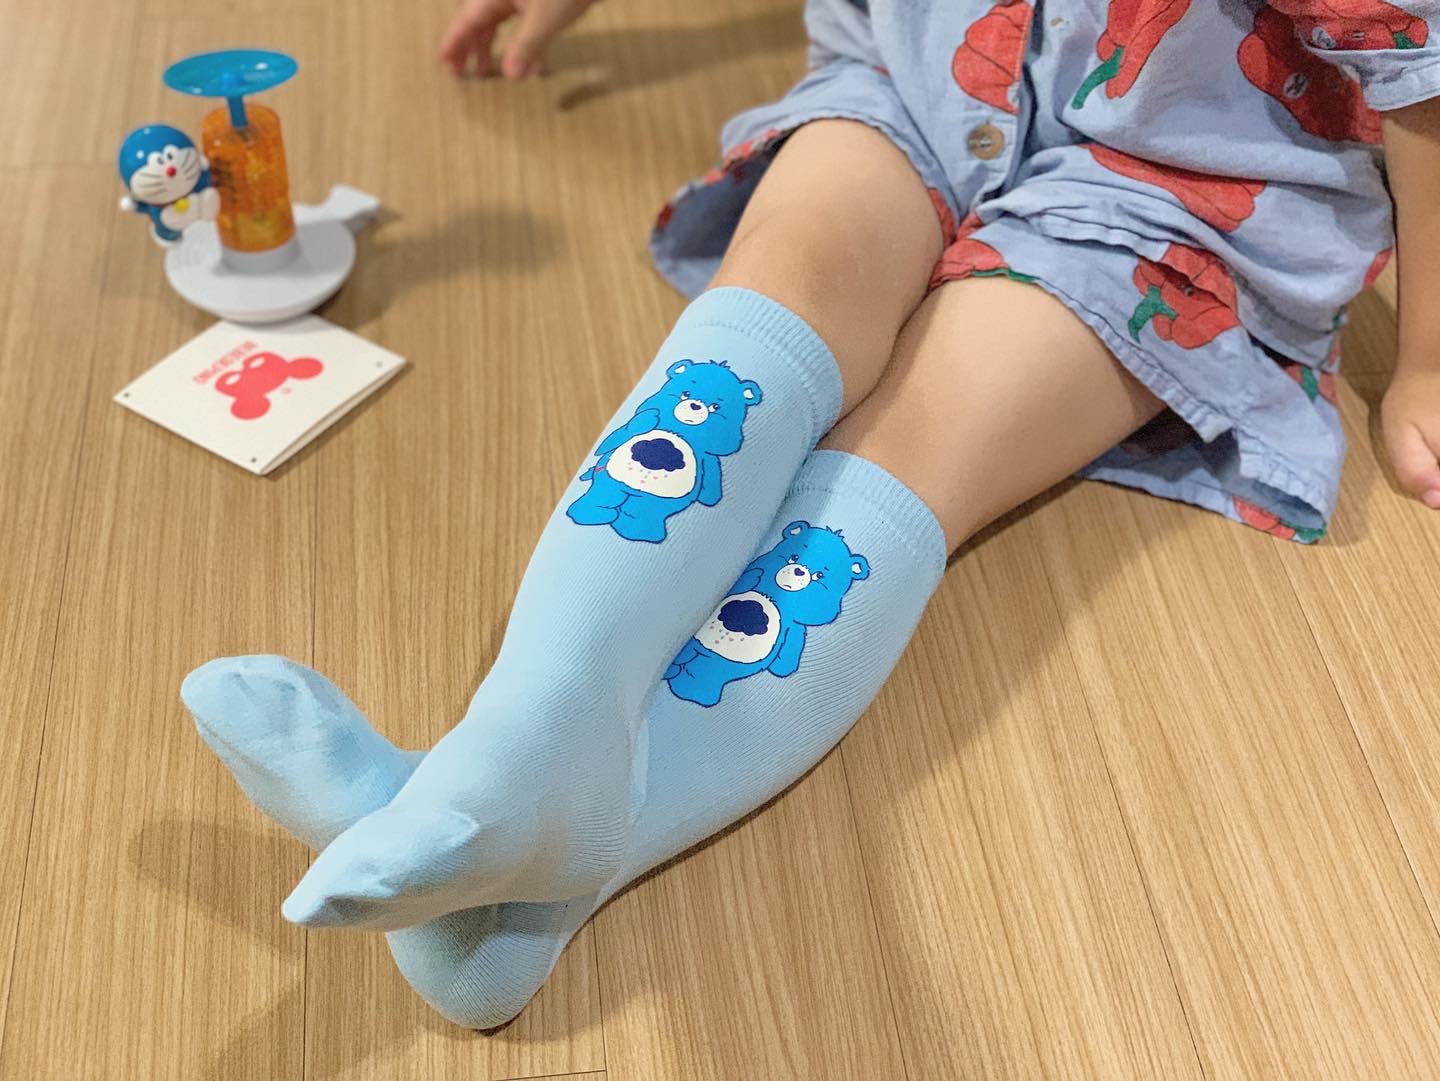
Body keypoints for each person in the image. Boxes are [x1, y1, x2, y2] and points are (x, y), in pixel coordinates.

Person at [182, 0, 1440, 1028]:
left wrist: (1430, 353)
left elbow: (1420, 63)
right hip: (915, 71)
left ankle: (509, 844)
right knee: (778, 289)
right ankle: (516, 767)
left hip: (1181, 184)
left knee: (917, 440)